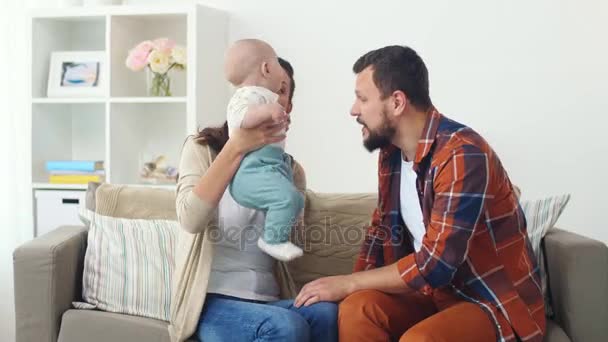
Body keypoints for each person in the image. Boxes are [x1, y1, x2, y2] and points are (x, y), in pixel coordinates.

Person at [294, 45, 545, 342]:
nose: (353, 109)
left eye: (362, 98)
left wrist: (348, 282)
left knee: (420, 340)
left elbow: (435, 265)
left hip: (489, 302)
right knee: (357, 308)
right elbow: (381, 233)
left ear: (397, 102)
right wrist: (346, 290)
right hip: (434, 295)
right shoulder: (391, 155)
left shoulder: (462, 153)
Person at [169, 57, 338, 342]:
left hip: (267, 299)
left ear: (288, 109)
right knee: (284, 327)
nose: (270, 96)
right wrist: (237, 146)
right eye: (261, 89)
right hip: (211, 301)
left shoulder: (291, 170)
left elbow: (289, 239)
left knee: (326, 314)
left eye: (282, 91)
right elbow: (190, 219)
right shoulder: (202, 151)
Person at [223, 38, 305, 262]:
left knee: (295, 199)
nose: (279, 97)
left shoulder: (264, 99)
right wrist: (268, 112)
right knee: (288, 198)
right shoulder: (247, 96)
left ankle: (276, 235)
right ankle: (272, 240)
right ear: (267, 68)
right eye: (280, 85)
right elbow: (240, 118)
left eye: (284, 93)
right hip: (252, 172)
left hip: (269, 168)